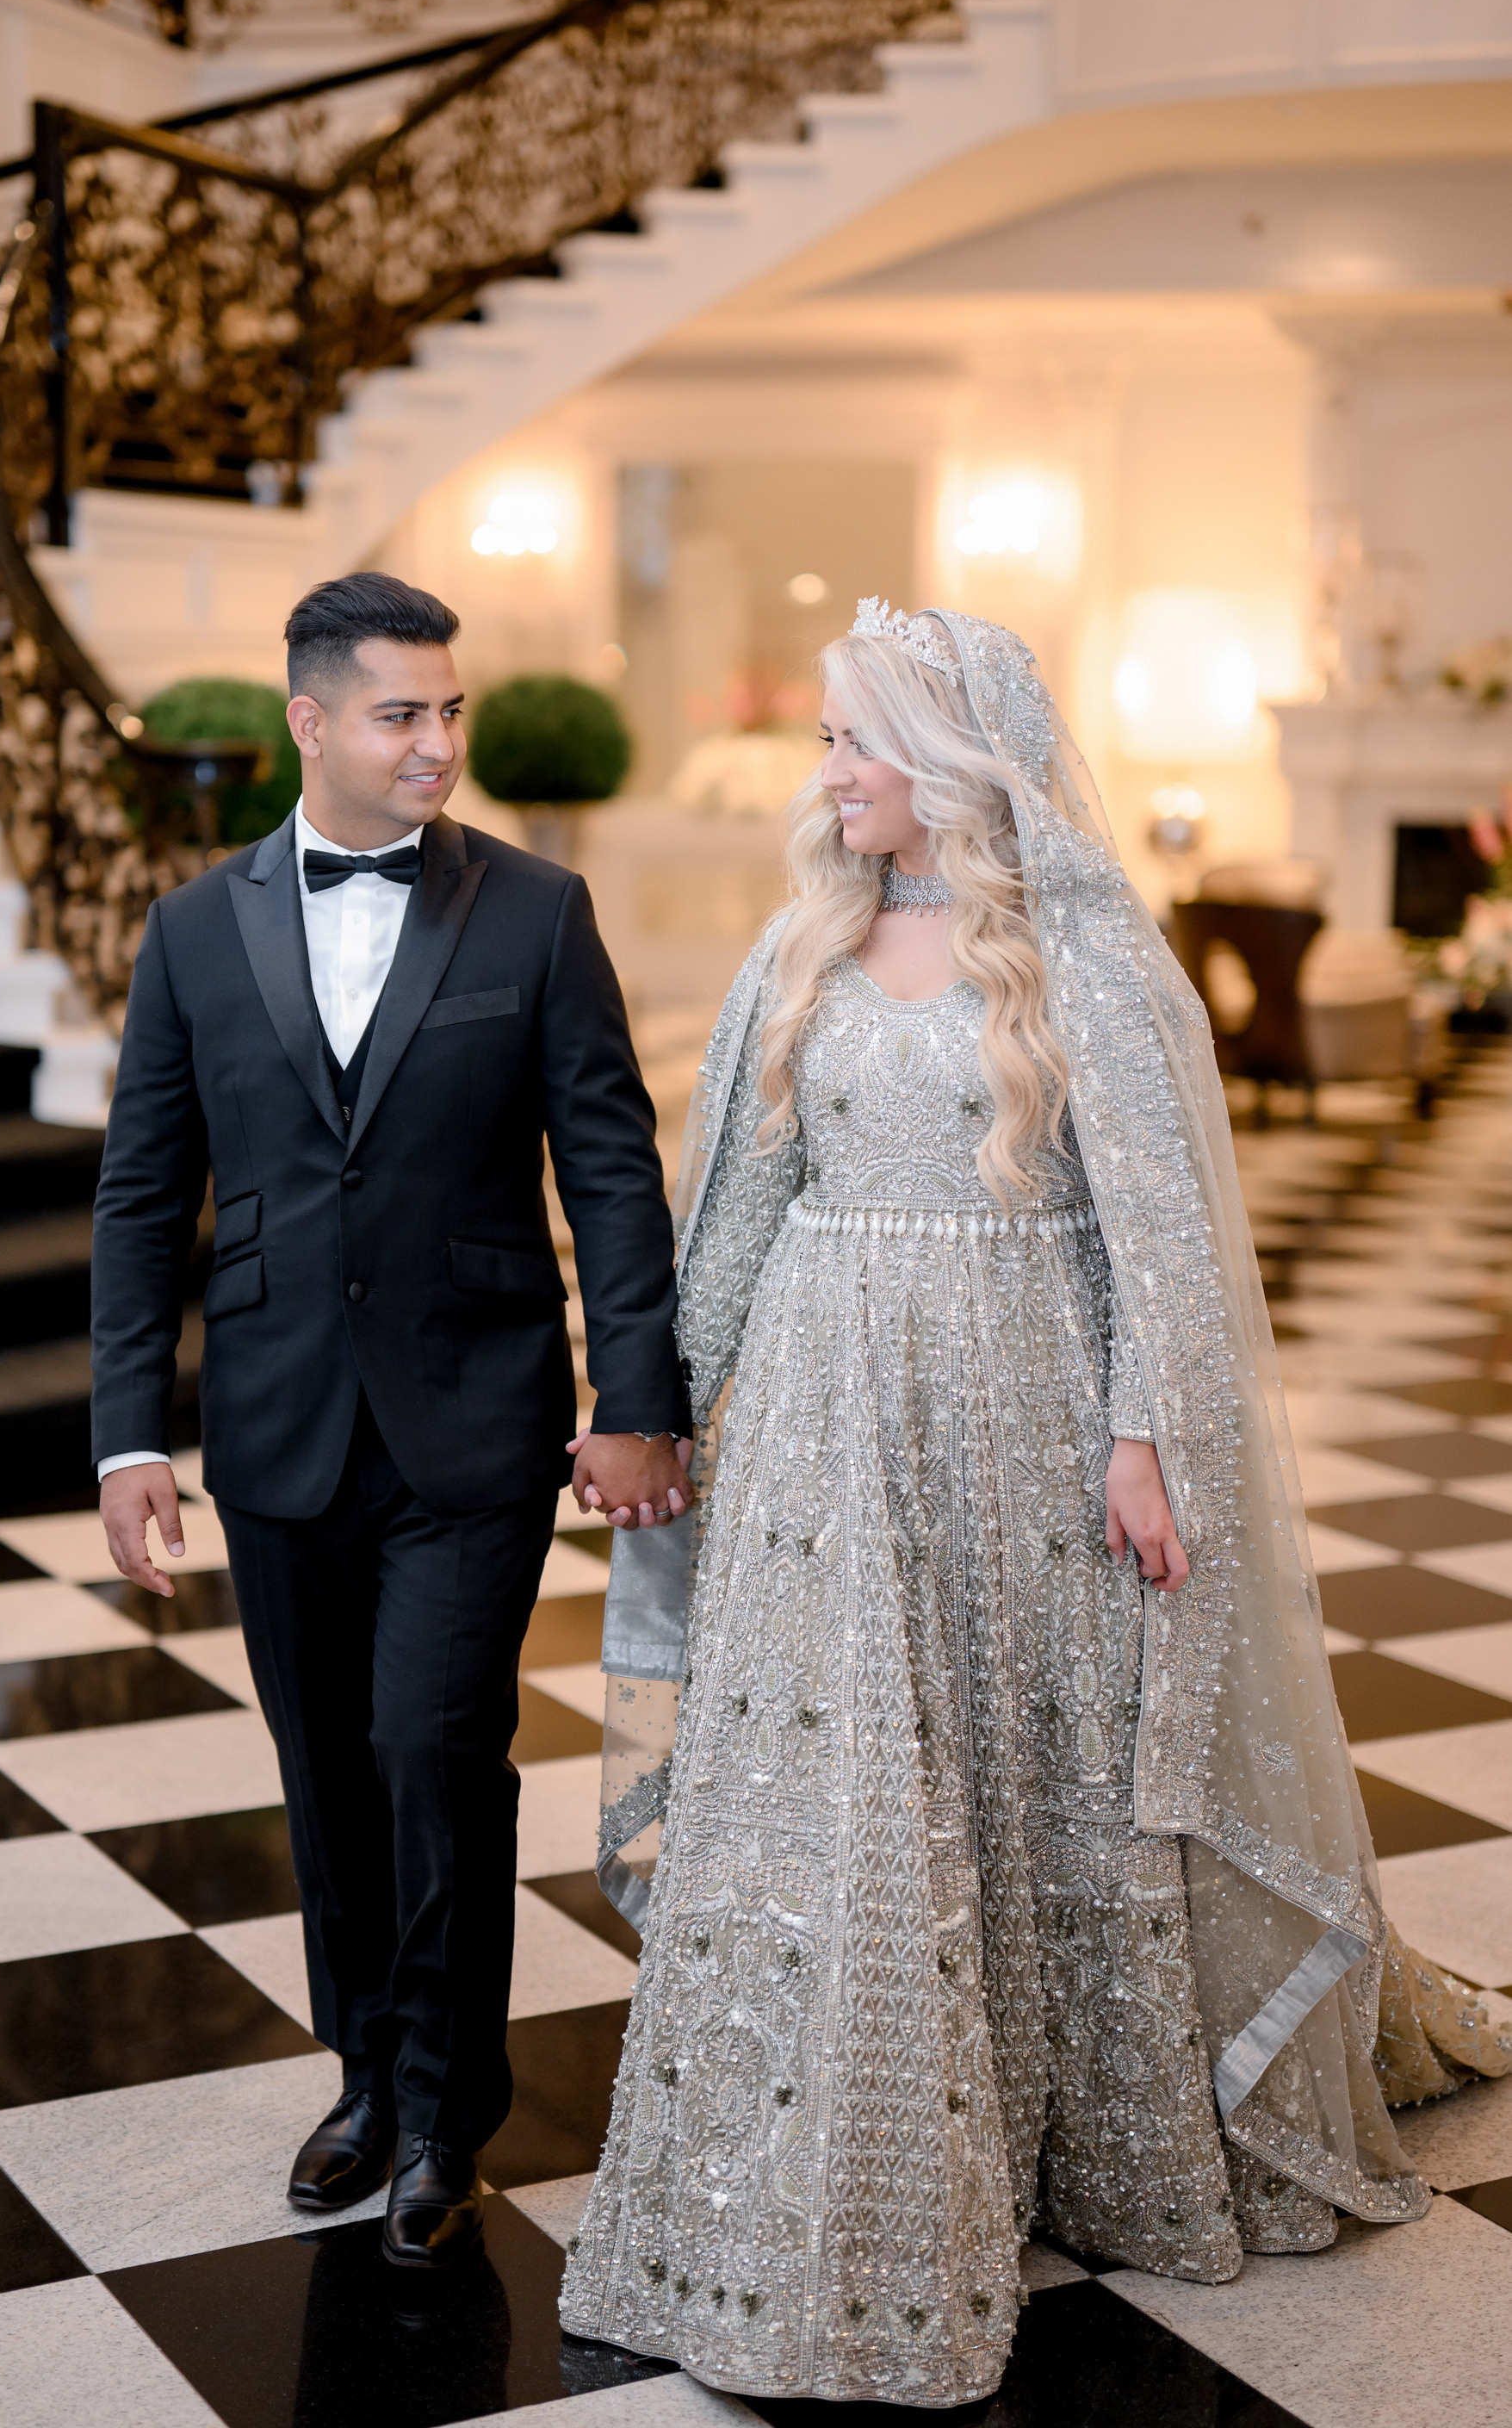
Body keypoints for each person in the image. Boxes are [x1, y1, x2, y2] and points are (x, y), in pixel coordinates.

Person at [560, 599, 1511, 2405]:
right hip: (829, 1428)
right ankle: (821, 2160)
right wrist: (658, 1413)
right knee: (852, 1781)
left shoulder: (1077, 952)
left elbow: (1156, 1230)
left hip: (1021, 1404)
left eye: (853, 740)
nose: (824, 771)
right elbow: (737, 1214)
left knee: (1031, 1750)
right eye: (827, 740)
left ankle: (1085, 2130)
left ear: (946, 758)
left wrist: (1146, 1435)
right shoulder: (798, 953)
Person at [92, 572, 692, 2270]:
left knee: (436, 1752)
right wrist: (129, 1432)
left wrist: (630, 1396)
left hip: (474, 1422)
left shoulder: (534, 913)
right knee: (326, 1778)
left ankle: (443, 2110)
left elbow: (610, 1171)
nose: (437, 743)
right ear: (309, 722)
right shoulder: (193, 928)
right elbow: (144, 1195)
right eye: (399, 714)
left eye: (449, 712)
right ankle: (360, 2074)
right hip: (276, 1427)